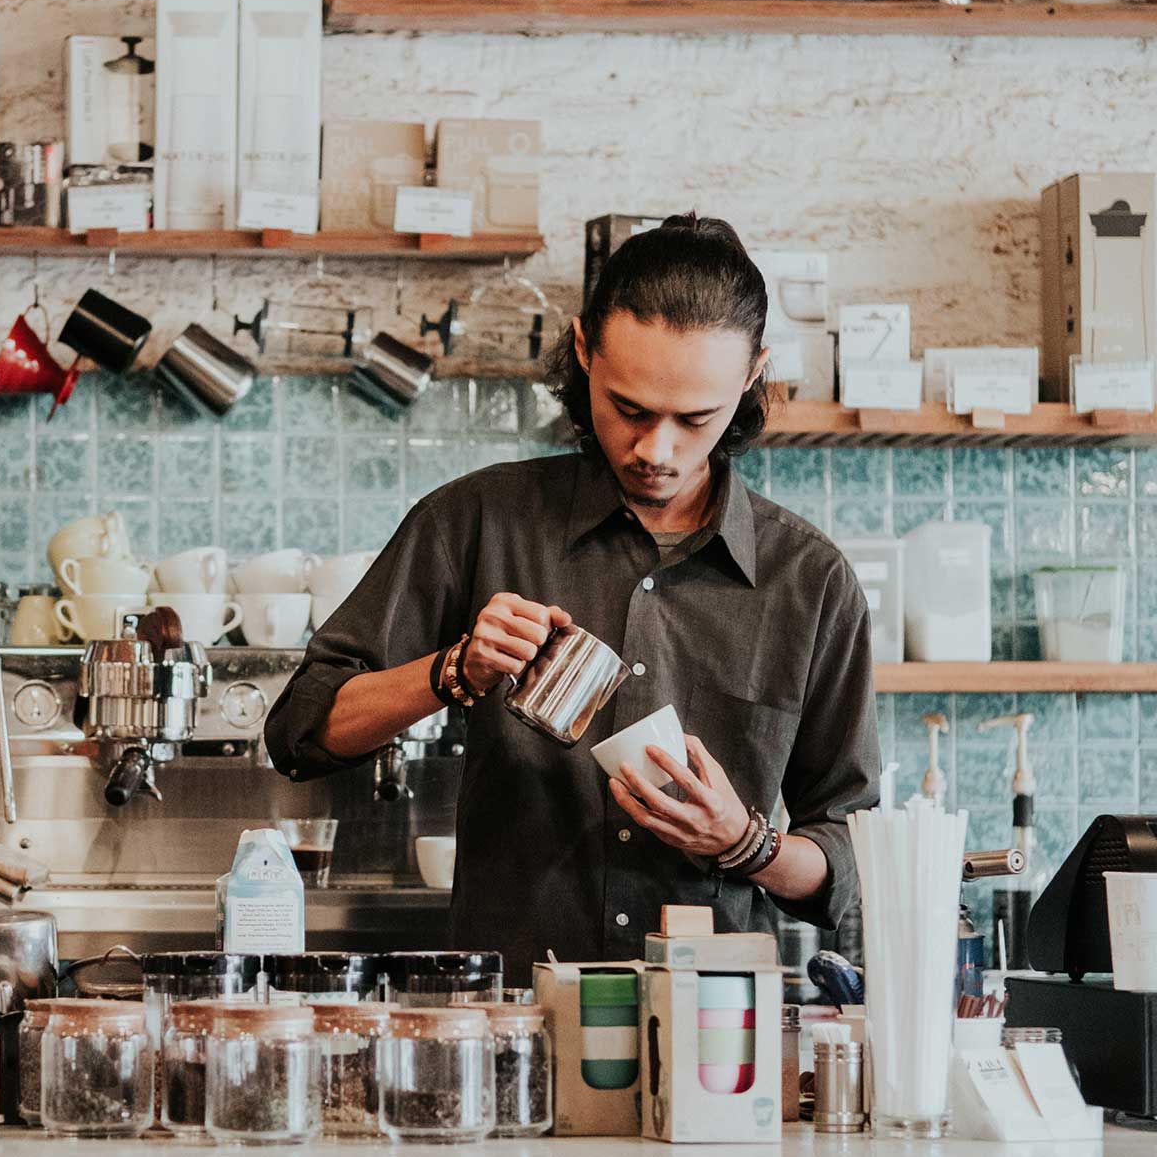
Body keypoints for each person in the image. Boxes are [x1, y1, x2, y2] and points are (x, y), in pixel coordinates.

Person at [265, 214, 880, 976]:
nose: (657, 450)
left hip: (710, 1030)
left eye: (695, 419)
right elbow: (300, 731)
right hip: (510, 1015)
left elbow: (850, 860)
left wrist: (742, 842)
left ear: (752, 374)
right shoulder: (475, 521)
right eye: (629, 409)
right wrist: (451, 670)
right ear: (584, 349)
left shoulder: (810, 581)